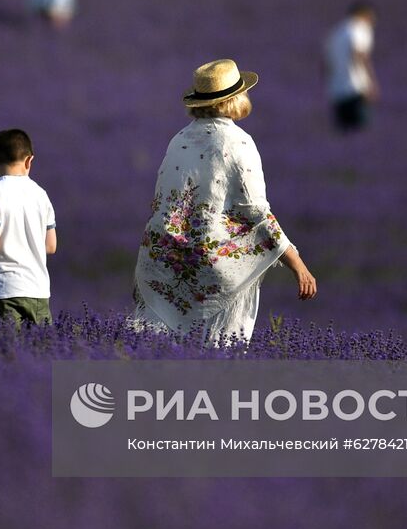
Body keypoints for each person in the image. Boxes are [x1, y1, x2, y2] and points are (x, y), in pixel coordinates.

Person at [131, 59, 318, 345]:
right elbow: (257, 212)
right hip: (211, 275)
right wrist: (297, 264)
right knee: (216, 355)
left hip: (162, 265)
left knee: (164, 360)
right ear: (234, 99)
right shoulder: (238, 142)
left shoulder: (178, 139)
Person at [0, 129, 57, 325]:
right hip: (38, 289)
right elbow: (51, 246)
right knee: (41, 351)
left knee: (7, 353)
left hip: (5, 290)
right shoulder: (41, 194)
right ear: (29, 161)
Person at [322, 0, 378, 131]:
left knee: (345, 136)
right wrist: (370, 83)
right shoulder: (359, 29)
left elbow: (327, 65)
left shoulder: (335, 33)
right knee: (361, 133)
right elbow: (359, 55)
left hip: (337, 92)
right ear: (363, 14)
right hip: (356, 89)